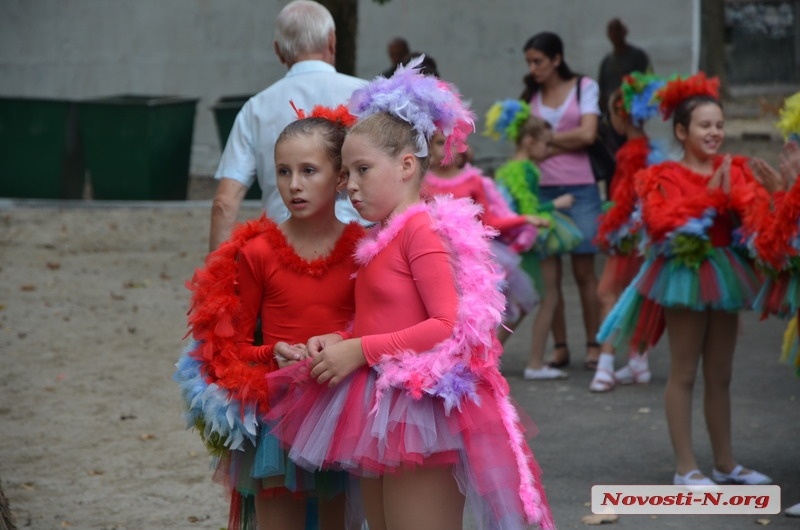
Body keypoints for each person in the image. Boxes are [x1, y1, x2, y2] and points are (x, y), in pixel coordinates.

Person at [264, 58, 555, 530]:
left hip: (420, 410)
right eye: (346, 173)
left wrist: (360, 350)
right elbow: (387, 316)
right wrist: (341, 339)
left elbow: (446, 325)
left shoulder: (421, 231)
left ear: (405, 165)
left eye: (362, 170)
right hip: (381, 405)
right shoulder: (381, 238)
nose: (350, 186)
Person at [175, 106, 366, 529]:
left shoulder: (364, 251)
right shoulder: (258, 252)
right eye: (283, 171)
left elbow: (375, 325)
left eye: (309, 171)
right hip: (278, 415)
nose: (293, 185)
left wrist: (341, 341)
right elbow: (232, 347)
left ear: (339, 178)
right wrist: (271, 352)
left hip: (343, 408)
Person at [598, 72, 773, 486]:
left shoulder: (737, 169)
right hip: (685, 275)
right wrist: (716, 193)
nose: (715, 133)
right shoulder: (664, 176)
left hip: (727, 272)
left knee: (721, 374)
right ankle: (685, 468)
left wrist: (770, 195)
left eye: (719, 125)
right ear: (681, 130)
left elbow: (755, 224)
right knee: (684, 372)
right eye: (705, 125)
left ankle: (725, 462)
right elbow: (662, 225)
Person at [209, 0, 366, 252]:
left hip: (282, 251)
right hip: (357, 249)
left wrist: (217, 282)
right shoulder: (369, 96)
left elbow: (224, 203)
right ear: (331, 40)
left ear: (278, 50)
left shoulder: (256, 107)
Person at [522, 31, 604, 371]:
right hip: (543, 190)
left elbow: (588, 134)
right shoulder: (531, 94)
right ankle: (560, 347)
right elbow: (527, 144)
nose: (533, 67)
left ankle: (594, 344)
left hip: (582, 189)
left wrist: (548, 140)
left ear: (557, 59)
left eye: (538, 61)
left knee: (585, 271)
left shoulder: (585, 87)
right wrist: (554, 143)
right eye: (529, 62)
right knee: (549, 276)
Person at [484, 99, 582, 378]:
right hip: (528, 240)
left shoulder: (507, 169)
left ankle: (487, 358)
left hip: (512, 244)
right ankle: (535, 363)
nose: (549, 151)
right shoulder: (527, 169)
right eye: (546, 144)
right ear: (529, 141)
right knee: (546, 297)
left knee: (519, 303)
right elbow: (529, 212)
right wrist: (556, 204)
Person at [421, 130, 547, 342]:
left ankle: (485, 355)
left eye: (453, 143)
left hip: (470, 259)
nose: (447, 149)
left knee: (482, 313)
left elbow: (489, 222)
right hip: (435, 256)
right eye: (441, 143)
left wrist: (524, 219)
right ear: (429, 147)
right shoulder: (422, 181)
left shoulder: (473, 180)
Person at [589, 72, 666, 392]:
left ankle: (606, 365)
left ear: (621, 117)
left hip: (628, 234)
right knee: (637, 294)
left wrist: (613, 230)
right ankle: (638, 361)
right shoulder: (648, 149)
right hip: (641, 234)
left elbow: (623, 199)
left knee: (608, 294)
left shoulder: (629, 153)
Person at [597, 18, 652, 118]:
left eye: (617, 29)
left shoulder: (638, 56)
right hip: (612, 114)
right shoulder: (606, 61)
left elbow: (647, 81)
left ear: (624, 31)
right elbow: (602, 92)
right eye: (611, 30)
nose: (615, 34)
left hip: (631, 112)